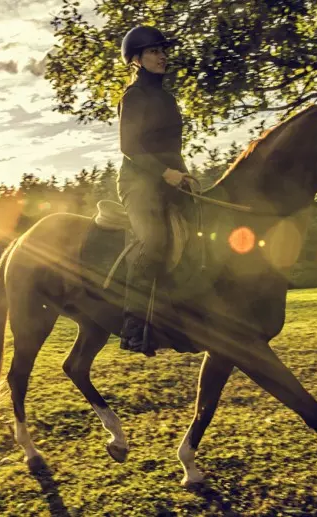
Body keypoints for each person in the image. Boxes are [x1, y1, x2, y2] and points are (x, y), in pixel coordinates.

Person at [117, 25, 192, 356]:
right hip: (138, 184)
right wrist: (164, 173)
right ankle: (133, 328)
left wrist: (185, 175)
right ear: (136, 60)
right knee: (156, 241)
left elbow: (172, 147)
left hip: (171, 179)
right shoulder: (133, 97)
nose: (162, 56)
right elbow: (129, 145)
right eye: (153, 51)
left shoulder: (167, 97)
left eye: (163, 50)